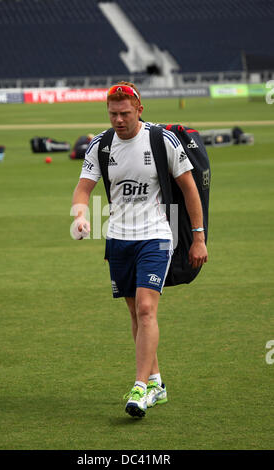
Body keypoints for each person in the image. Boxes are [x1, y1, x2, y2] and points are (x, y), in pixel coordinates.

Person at [71, 81, 208, 419]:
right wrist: (80, 216)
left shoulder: (162, 141)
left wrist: (199, 237)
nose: (119, 120)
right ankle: (157, 382)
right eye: (113, 113)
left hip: (156, 235)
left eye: (125, 113)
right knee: (136, 314)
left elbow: (190, 191)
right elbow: (83, 190)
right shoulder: (100, 146)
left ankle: (139, 386)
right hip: (117, 237)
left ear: (139, 110)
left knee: (147, 308)